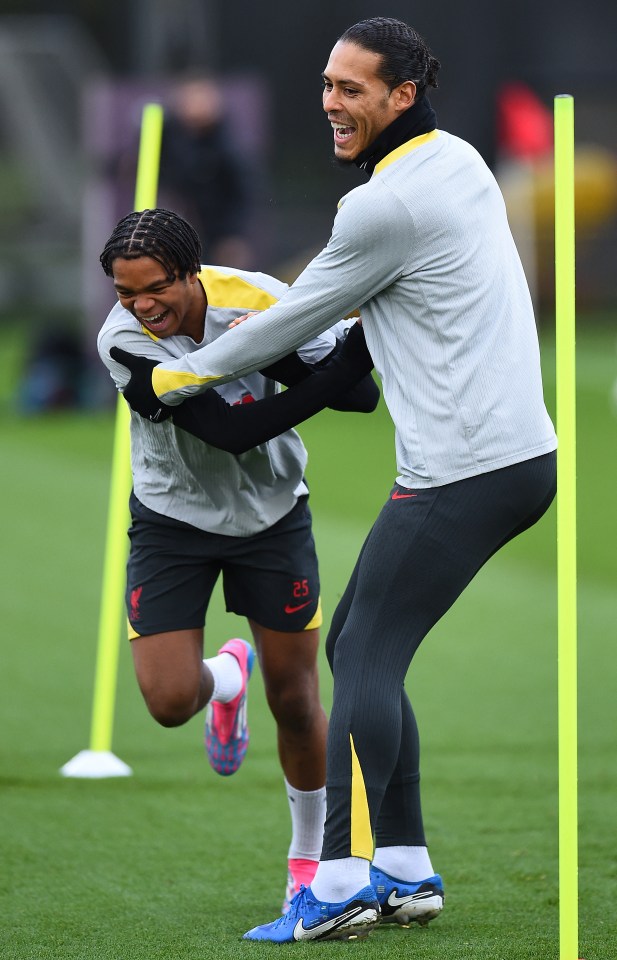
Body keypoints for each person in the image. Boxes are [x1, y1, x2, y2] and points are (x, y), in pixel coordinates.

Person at [113, 18, 558, 944]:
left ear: (402, 94)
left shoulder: (378, 207)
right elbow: (349, 338)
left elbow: (293, 320)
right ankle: (404, 867)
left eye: (351, 88)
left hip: (466, 466)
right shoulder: (455, 160)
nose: (329, 101)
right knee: (360, 643)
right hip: (509, 455)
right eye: (325, 84)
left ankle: (349, 879)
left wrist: (176, 375)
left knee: (357, 659)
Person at [96, 207, 379, 911]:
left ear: (191, 271)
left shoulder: (257, 298)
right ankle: (225, 678)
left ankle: (307, 862)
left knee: (295, 699)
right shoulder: (124, 341)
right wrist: (293, 355)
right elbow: (229, 431)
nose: (140, 306)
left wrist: (318, 344)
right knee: (165, 704)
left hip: (273, 515)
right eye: (125, 292)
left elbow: (360, 397)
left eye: (154, 287)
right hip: (171, 519)